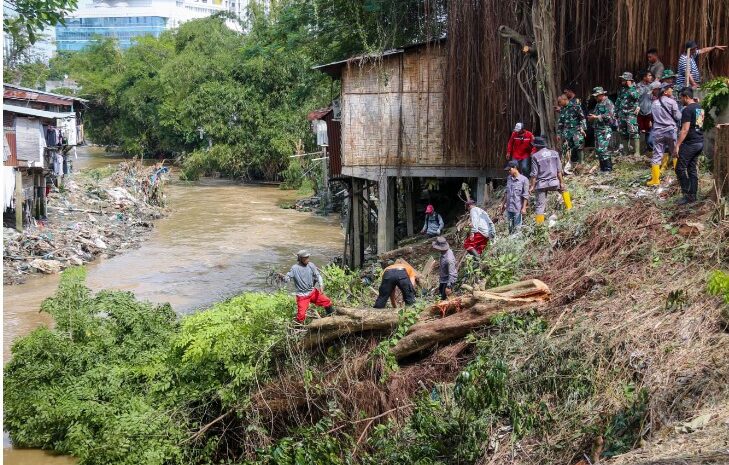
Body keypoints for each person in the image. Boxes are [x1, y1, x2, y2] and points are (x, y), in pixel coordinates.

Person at [282, 250, 333, 323]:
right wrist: (284, 278)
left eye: (308, 257)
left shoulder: (311, 265)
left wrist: (321, 285)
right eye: (305, 258)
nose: (307, 259)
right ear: (300, 259)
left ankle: (331, 319)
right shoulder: (294, 268)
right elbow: (287, 280)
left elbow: (318, 275)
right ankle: (298, 330)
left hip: (312, 292)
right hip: (302, 296)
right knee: (301, 316)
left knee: (327, 302)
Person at [673, 88, 705, 204]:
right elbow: (700, 125)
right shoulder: (699, 107)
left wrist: (677, 145)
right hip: (699, 142)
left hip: (690, 143)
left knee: (679, 168)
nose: (680, 100)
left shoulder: (687, 110)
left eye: (681, 97)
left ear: (686, 97)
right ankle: (693, 195)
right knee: (691, 169)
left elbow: (685, 130)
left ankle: (687, 195)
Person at [647, 82, 681, 186]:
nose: (672, 90)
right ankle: (679, 178)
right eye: (670, 88)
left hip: (658, 132)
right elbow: (678, 117)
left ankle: (655, 180)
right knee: (675, 153)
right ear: (665, 91)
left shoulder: (654, 103)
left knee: (657, 155)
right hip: (670, 131)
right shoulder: (672, 102)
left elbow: (653, 117)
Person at [529, 136, 569, 224]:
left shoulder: (535, 156)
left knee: (540, 206)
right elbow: (559, 170)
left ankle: (539, 226)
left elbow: (534, 174)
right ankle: (570, 210)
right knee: (564, 190)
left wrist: (532, 186)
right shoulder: (554, 153)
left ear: (536, 146)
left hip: (541, 184)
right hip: (554, 182)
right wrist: (562, 183)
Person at [587, 87, 616, 172]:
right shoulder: (598, 103)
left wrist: (596, 117)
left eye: (597, 96)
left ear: (601, 94)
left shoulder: (608, 102)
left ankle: (608, 169)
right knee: (599, 150)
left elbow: (609, 115)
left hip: (605, 129)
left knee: (604, 149)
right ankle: (602, 169)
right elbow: (596, 114)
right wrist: (592, 117)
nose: (595, 98)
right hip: (598, 129)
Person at [556, 93, 586, 172]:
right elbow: (561, 123)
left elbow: (582, 118)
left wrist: (582, 128)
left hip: (576, 130)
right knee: (572, 147)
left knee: (578, 145)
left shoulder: (576, 106)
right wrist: (558, 134)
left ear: (565, 100)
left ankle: (581, 163)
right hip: (567, 132)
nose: (559, 104)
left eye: (560, 102)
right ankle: (574, 165)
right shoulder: (563, 109)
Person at [615, 71, 642, 156]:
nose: (622, 81)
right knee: (623, 132)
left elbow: (636, 96)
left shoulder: (635, 88)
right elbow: (618, 100)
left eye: (624, 79)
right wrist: (616, 112)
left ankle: (637, 152)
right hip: (622, 113)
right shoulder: (621, 89)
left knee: (634, 131)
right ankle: (626, 151)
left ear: (628, 80)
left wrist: (630, 87)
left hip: (631, 113)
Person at [501, 160, 529, 234]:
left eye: (510, 169)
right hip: (509, 208)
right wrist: (503, 204)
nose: (509, 171)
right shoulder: (509, 178)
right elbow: (507, 192)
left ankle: (516, 243)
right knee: (510, 228)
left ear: (515, 168)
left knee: (517, 229)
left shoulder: (524, 180)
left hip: (518, 209)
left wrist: (523, 208)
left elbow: (526, 195)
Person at [432, 236, 457, 301]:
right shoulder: (444, 252)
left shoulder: (449, 259)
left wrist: (448, 286)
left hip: (448, 281)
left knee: (444, 300)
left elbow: (452, 274)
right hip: (443, 279)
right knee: (440, 295)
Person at [637, 71, 655, 152]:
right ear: (644, 77)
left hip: (649, 112)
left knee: (649, 131)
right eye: (649, 75)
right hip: (640, 112)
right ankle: (638, 150)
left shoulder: (651, 86)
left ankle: (648, 149)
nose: (651, 77)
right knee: (639, 131)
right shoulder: (638, 86)